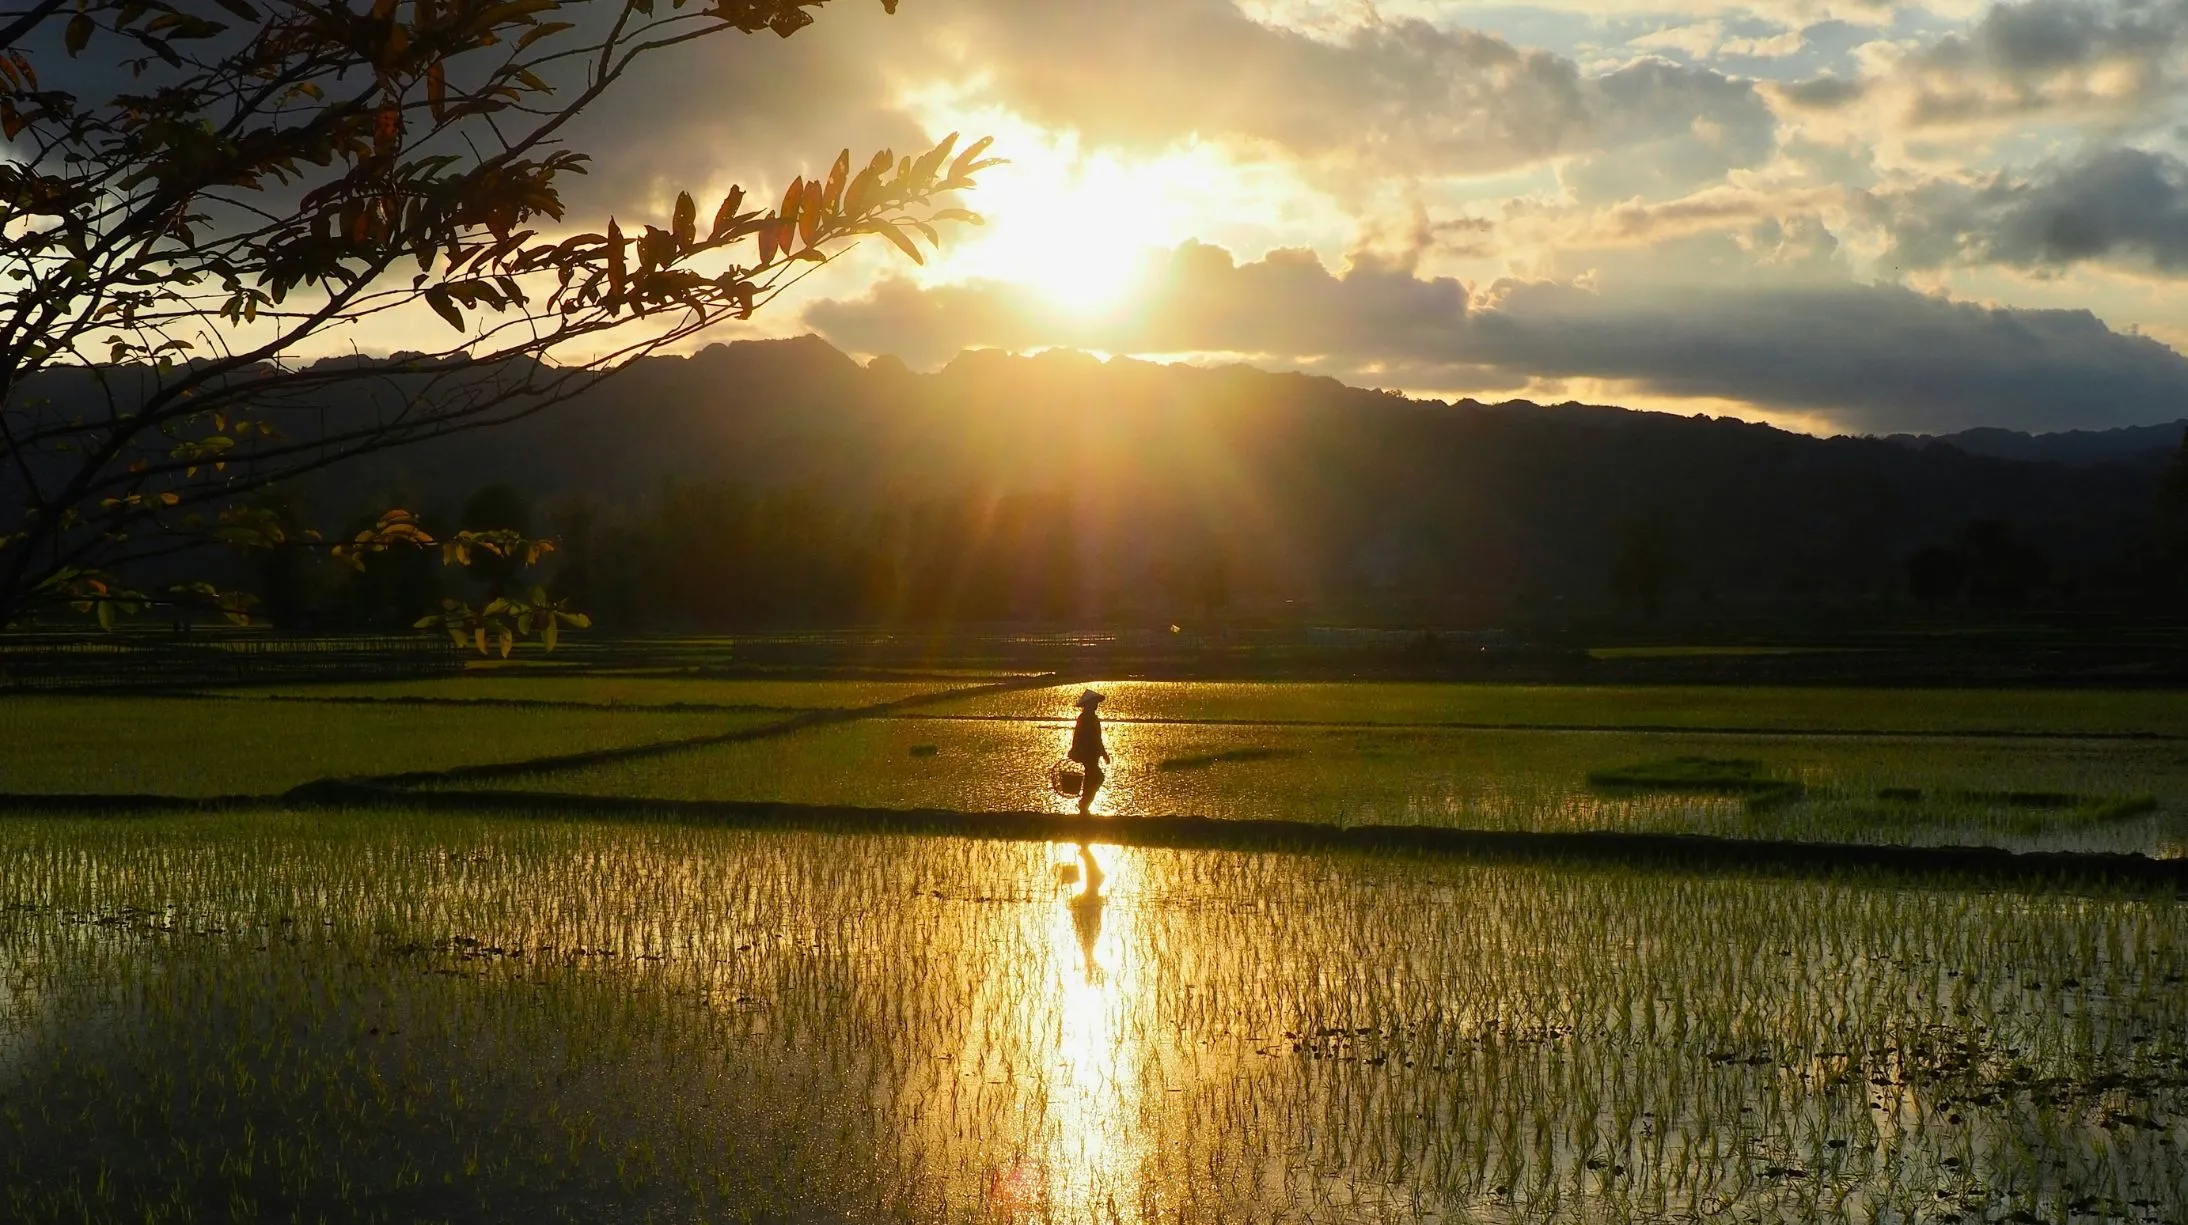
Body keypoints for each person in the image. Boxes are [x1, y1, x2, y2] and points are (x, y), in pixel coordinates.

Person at [1068, 688, 1110, 814]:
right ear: (1088, 704)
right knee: (1096, 777)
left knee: (1092, 777)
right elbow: (1081, 737)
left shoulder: (1090, 717)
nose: (1096, 705)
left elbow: (1097, 738)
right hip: (1088, 753)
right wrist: (1076, 750)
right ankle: (1084, 804)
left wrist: (1103, 753)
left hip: (1092, 753)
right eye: (1094, 703)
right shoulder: (1086, 718)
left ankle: (1084, 804)